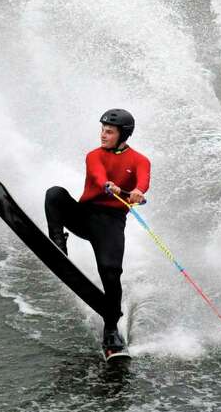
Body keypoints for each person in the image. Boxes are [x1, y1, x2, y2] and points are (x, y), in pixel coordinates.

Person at [45, 109, 150, 355]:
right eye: (102, 130)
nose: (103, 135)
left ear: (123, 134)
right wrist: (107, 184)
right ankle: (58, 243)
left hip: (111, 223)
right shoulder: (94, 155)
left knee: (111, 274)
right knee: (54, 194)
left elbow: (143, 180)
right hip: (84, 215)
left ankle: (111, 328)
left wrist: (138, 191)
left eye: (109, 131)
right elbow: (97, 173)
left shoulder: (139, 160)